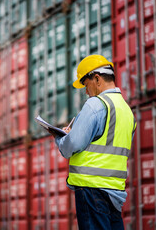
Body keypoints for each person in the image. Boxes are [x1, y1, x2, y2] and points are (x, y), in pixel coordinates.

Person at [49, 55, 136, 230]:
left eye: (85, 84)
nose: (86, 91)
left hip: (91, 190)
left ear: (96, 79)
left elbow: (71, 146)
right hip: (115, 193)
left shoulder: (95, 105)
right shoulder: (127, 111)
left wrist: (61, 138)